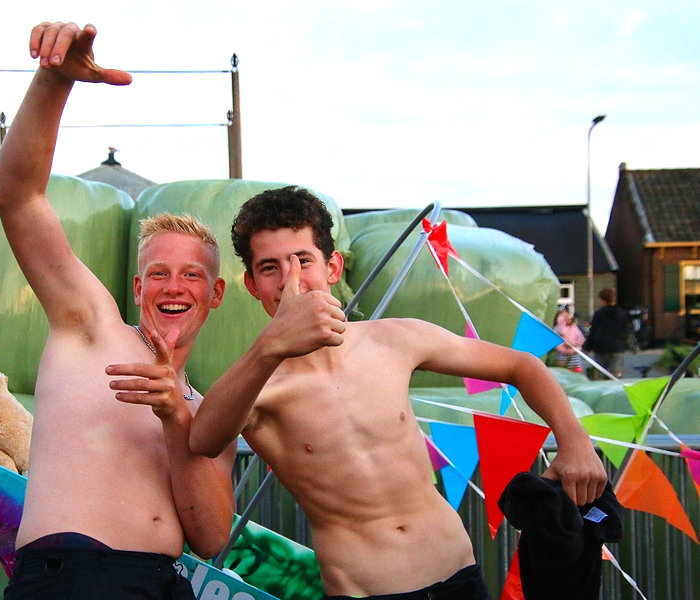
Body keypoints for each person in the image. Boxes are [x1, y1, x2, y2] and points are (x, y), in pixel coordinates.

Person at [190, 186, 608, 599]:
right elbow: (204, 438)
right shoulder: (258, 384)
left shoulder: (393, 339)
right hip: (365, 590)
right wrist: (270, 346)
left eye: (303, 260)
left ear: (332, 267)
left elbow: (522, 365)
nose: (291, 280)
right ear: (252, 284)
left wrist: (575, 442)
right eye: (270, 268)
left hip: (458, 576)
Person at [0, 21, 235, 599]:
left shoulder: (209, 413)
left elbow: (210, 536)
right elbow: (16, 195)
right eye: (159, 273)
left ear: (216, 293)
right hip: (75, 578)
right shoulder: (89, 327)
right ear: (137, 287)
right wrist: (54, 81)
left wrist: (177, 420)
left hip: (167, 584)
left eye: (192, 275)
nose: (174, 286)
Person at [584, 288, 630, 378]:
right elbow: (626, 330)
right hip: (617, 346)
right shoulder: (622, 313)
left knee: (601, 373)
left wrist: (588, 347)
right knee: (616, 374)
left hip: (602, 347)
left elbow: (594, 332)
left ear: (603, 300)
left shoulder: (599, 314)